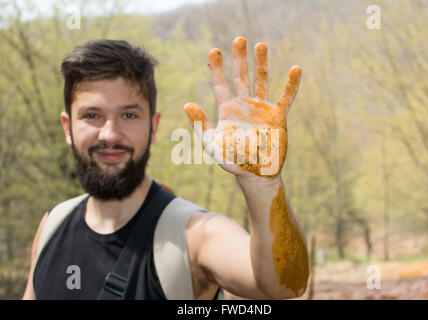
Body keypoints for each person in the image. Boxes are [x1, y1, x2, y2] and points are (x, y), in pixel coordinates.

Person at [22, 36, 309, 300]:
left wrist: (262, 185)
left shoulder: (194, 235)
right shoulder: (51, 226)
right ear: (67, 126)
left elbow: (283, 286)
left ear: (153, 126)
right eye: (92, 115)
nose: (109, 134)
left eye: (128, 115)